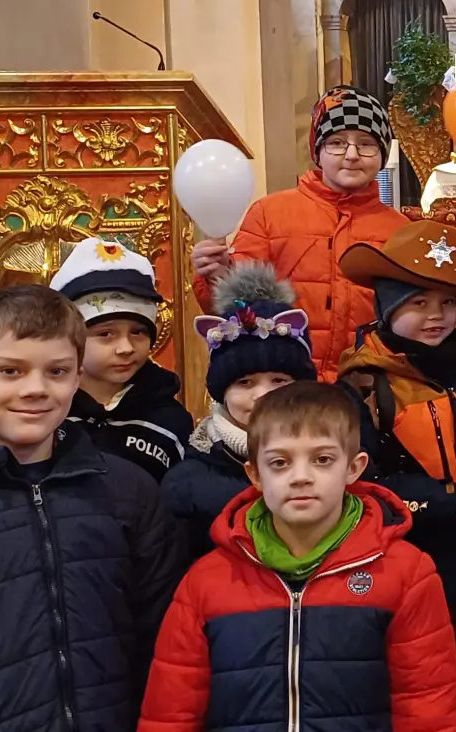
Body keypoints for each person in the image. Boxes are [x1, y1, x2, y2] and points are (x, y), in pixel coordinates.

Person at [137, 382, 456, 732]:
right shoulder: (206, 581)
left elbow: (426, 705)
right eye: (280, 462)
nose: (301, 477)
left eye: (322, 459)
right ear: (255, 474)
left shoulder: (405, 573)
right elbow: (171, 713)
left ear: (354, 468)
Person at [0, 285, 182, 732]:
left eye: (57, 371)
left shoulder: (128, 491)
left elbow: (164, 643)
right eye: (10, 371)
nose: (35, 389)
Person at [337, 219, 456, 703]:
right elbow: (361, 483)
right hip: (411, 555)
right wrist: (442, 502)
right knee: (431, 672)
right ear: (387, 307)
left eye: (447, 303)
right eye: (418, 303)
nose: (436, 316)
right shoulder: (364, 386)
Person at [190, 86, 410, 380]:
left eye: (367, 143)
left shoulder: (399, 230)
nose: (352, 154)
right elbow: (237, 308)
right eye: (337, 142)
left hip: (367, 384)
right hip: (287, 381)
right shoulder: (270, 213)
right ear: (318, 151)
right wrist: (217, 275)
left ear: (382, 153)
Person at [160, 262, 318, 561]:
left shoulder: (333, 461)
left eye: (279, 381)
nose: (263, 395)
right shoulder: (187, 483)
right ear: (222, 391)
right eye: (245, 382)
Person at [51, 236, 192, 481]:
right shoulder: (46, 411)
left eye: (138, 332)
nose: (125, 347)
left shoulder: (170, 420)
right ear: (70, 339)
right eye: (106, 334)